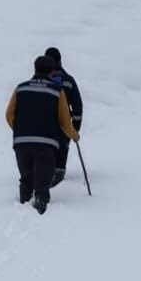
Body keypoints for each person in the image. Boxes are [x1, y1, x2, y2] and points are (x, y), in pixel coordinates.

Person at [5, 55, 79, 213]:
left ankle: (24, 203)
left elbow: (9, 115)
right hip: (46, 143)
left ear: (35, 68)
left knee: (26, 177)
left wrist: (20, 129)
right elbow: (64, 122)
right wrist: (74, 135)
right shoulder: (57, 91)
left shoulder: (20, 88)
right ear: (52, 72)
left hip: (22, 142)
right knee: (42, 181)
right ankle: (40, 204)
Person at [44, 47, 83, 186]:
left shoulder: (40, 82)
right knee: (60, 159)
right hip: (64, 127)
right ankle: (58, 177)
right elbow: (77, 107)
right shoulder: (68, 80)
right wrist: (74, 129)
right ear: (60, 61)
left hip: (44, 126)